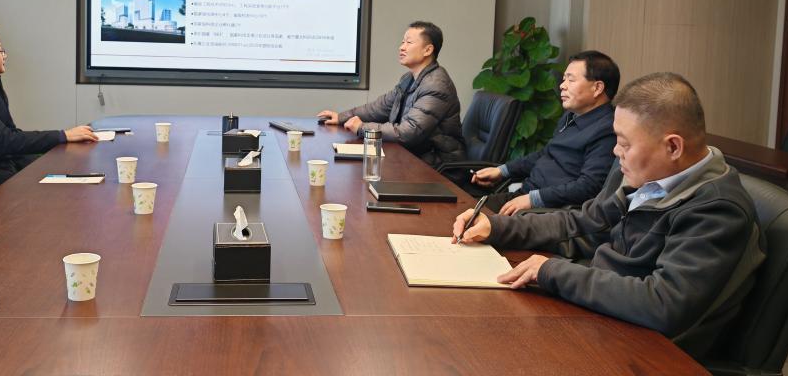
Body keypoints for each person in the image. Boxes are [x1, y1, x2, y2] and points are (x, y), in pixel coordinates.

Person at [452, 72, 764, 360]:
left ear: (672, 147)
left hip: (640, 348)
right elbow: (582, 222)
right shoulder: (643, 174)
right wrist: (498, 227)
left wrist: (553, 272)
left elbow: (662, 303)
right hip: (599, 313)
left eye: (625, 143)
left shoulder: (716, 208)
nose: (615, 151)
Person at [471, 50, 619, 215]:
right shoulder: (571, 116)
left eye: (571, 80)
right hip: (526, 197)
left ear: (597, 88)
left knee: (468, 221)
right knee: (464, 209)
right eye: (564, 79)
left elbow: (588, 187)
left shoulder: (607, 130)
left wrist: (533, 199)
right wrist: (503, 171)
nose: (562, 85)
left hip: (548, 212)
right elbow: (546, 153)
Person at [0, 27, 98, 186]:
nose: (5, 55)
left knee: (68, 167)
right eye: (0, 51)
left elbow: (11, 133)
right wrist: (63, 136)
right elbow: (4, 141)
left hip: (10, 161)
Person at [318, 21, 466, 178]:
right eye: (402, 42)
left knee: (362, 175)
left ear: (428, 50)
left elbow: (408, 132)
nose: (402, 47)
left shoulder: (436, 85)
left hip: (438, 167)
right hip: (415, 157)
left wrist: (362, 128)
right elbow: (380, 107)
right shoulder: (409, 78)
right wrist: (342, 117)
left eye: (409, 42)